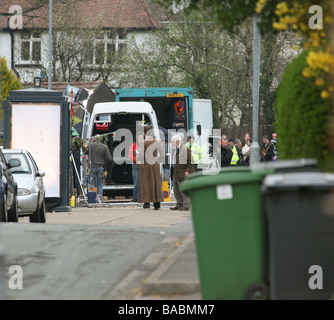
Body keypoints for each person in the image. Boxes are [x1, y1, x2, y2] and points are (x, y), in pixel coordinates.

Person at [138, 126, 165, 210]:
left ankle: (147, 203)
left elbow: (141, 155)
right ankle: (157, 204)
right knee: (156, 184)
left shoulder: (144, 143)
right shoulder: (157, 142)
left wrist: (138, 158)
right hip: (154, 165)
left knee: (146, 184)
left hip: (145, 166)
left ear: (145, 133)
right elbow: (162, 154)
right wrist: (158, 161)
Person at [170, 135, 194, 211]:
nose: (172, 143)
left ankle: (186, 205)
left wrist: (187, 171)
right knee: (176, 189)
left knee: (184, 190)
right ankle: (179, 204)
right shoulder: (175, 149)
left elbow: (191, 161)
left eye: (173, 142)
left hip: (183, 172)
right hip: (176, 172)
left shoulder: (185, 149)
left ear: (178, 142)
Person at [88, 135, 112, 202]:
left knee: (90, 182)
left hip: (92, 167)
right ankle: (99, 197)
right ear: (101, 139)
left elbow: (85, 152)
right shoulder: (104, 147)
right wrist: (104, 162)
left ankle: (91, 197)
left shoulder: (90, 146)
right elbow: (109, 158)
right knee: (100, 183)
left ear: (94, 139)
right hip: (101, 167)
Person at [128, 134, 143, 202]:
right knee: (136, 183)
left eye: (141, 137)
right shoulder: (133, 145)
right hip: (136, 166)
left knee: (144, 183)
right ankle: (135, 197)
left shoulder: (145, 145)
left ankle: (143, 197)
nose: (140, 139)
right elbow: (130, 155)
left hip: (143, 166)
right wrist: (136, 160)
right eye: (139, 137)